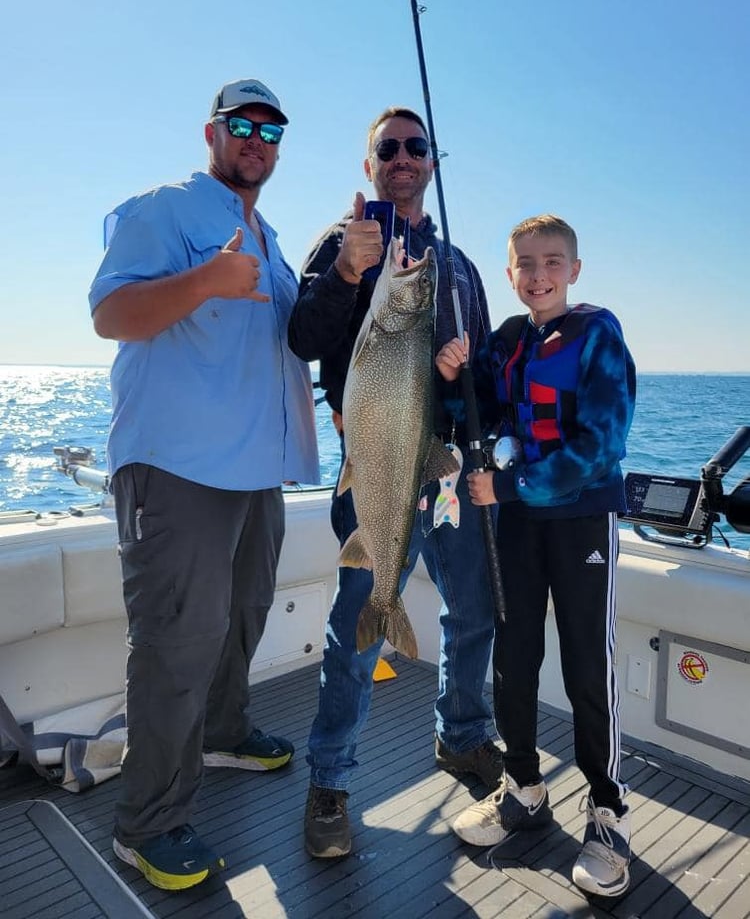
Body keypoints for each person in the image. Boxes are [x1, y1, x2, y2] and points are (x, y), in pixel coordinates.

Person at [88, 78, 319, 891]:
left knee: (242, 616)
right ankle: (146, 824)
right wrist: (203, 283)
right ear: (213, 132)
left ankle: (224, 732)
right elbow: (111, 315)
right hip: (179, 467)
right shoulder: (168, 207)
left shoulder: (272, 233)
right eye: (241, 124)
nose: (257, 138)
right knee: (178, 640)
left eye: (271, 128)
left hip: (257, 473)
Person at [288, 106, 502, 860]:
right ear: (369, 164)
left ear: (432, 163)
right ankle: (330, 784)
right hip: (374, 464)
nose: (403, 157)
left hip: (446, 469)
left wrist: (463, 375)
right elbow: (304, 339)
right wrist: (349, 269)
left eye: (416, 147)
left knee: (475, 611)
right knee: (354, 629)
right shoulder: (343, 244)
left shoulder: (463, 268)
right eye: (389, 148)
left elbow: (486, 380)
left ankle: (464, 737)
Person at [436, 214, 636, 898]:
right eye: (526, 263)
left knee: (587, 664)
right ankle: (523, 787)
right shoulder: (508, 339)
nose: (539, 273)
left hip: (579, 523)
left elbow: (602, 445)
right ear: (510, 273)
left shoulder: (598, 333)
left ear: (573, 270)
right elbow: (474, 411)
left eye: (553, 261)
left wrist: (511, 483)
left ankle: (606, 813)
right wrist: (451, 375)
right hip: (514, 526)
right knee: (512, 658)